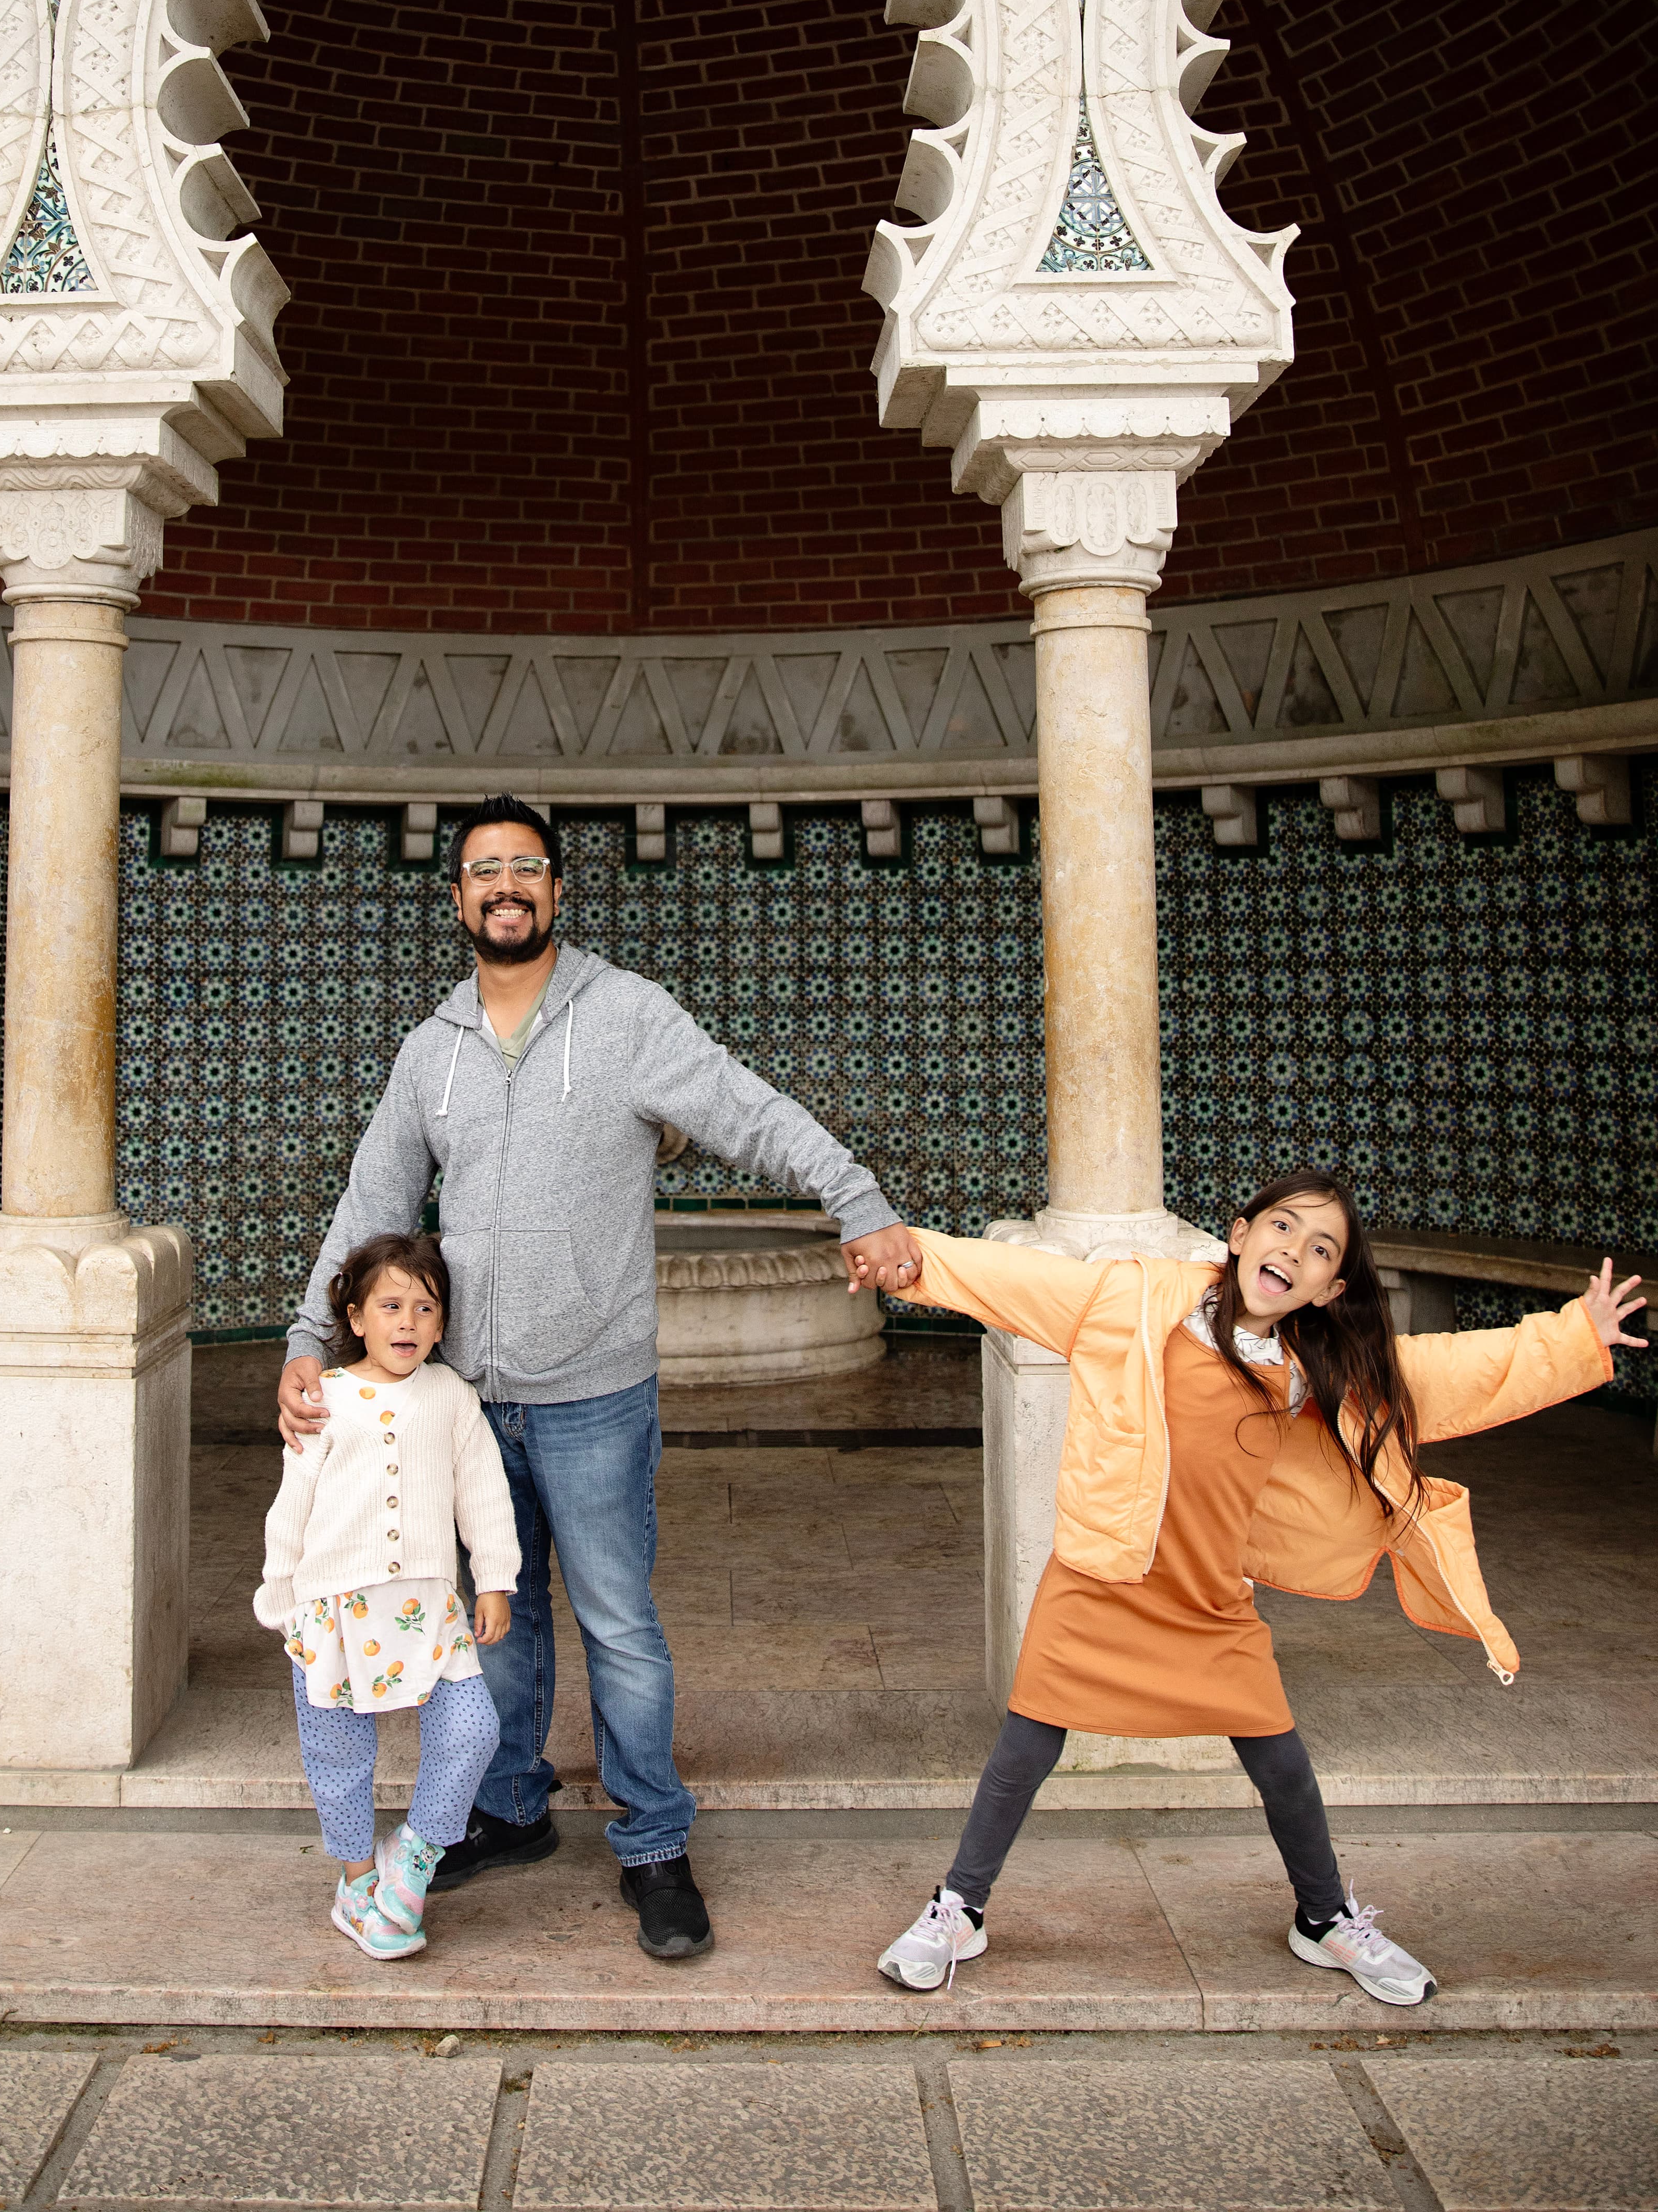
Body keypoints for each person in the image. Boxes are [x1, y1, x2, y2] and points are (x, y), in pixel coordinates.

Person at [278, 793, 923, 1961]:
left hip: (594, 1393)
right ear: (460, 897)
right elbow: (374, 1204)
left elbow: (748, 1112)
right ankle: (510, 1809)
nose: (506, 887)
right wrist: (304, 1341)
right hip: (468, 1398)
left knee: (619, 1624)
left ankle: (655, 1841)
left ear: (558, 892)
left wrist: (858, 1200)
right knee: (499, 1621)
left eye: (527, 868)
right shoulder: (432, 1049)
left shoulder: (626, 1017)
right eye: (485, 872)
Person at [852, 1172, 1646, 2004]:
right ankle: (960, 1910)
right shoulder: (1131, 1302)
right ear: (1238, 1235)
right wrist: (906, 1259)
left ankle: (1325, 1920)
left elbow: (1446, 1371)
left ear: (1330, 1289)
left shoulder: (1315, 1364)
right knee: (1023, 1752)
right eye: (1283, 1228)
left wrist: (1572, 1338)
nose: (1292, 1252)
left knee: (1284, 1768)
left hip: (1209, 1603)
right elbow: (1009, 1280)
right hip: (1100, 1579)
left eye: (1319, 1250)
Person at [256, 1231, 520, 1961]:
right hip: (332, 1611)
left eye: (426, 1308)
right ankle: (355, 1882)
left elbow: (484, 1494)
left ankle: (414, 1856)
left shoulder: (453, 1397)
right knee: (338, 1753)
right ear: (356, 1315)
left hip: (428, 1610)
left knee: (472, 1730)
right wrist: (281, 1603)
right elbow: (292, 1507)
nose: (408, 1323)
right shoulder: (325, 1400)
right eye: (392, 1306)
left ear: (443, 1323)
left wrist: (495, 1579)